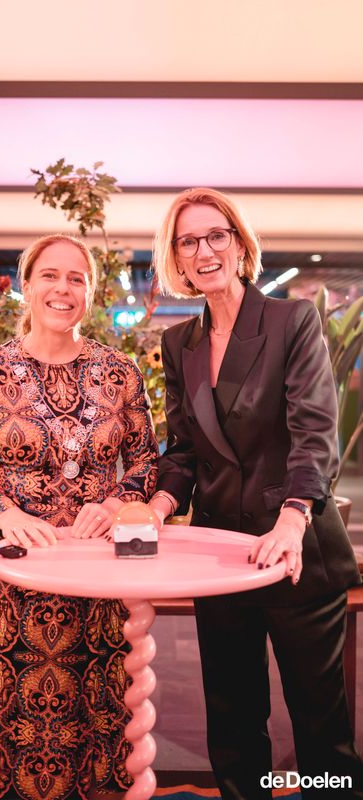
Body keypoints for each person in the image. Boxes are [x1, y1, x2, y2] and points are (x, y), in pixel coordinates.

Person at [148, 187, 363, 799]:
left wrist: (292, 519)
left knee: (321, 730)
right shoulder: (178, 344)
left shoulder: (291, 321)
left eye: (217, 235)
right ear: (177, 257)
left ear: (240, 245)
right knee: (234, 723)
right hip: (219, 554)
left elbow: (314, 434)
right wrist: (159, 504)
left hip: (295, 550)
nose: (204, 250)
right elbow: (184, 449)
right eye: (189, 241)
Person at [0, 234, 159, 800]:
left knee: (104, 715)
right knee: (20, 724)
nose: (62, 289)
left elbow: (146, 461)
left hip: (101, 576)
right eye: (49, 275)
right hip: (17, 580)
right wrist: (5, 512)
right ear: (26, 284)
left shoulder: (120, 372)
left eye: (76, 278)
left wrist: (115, 503)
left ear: (90, 292)